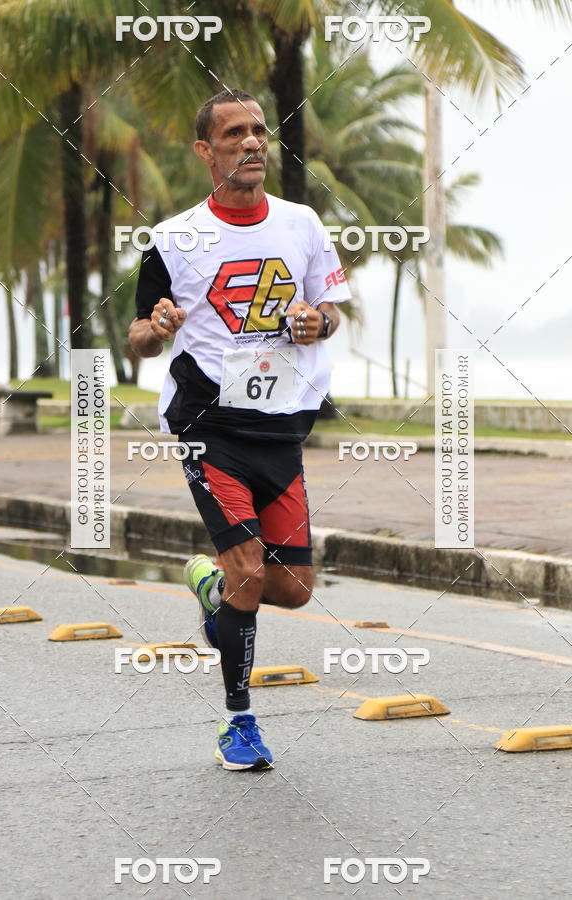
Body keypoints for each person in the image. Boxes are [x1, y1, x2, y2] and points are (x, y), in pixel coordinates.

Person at [128, 88, 351, 771]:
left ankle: (209, 588)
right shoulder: (172, 239)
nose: (253, 142)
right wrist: (157, 326)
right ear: (206, 151)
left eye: (259, 131)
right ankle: (238, 723)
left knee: (293, 588)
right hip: (208, 424)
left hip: (280, 427)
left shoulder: (302, 224)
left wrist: (319, 320)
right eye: (234, 134)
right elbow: (138, 335)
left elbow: (333, 309)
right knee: (251, 571)